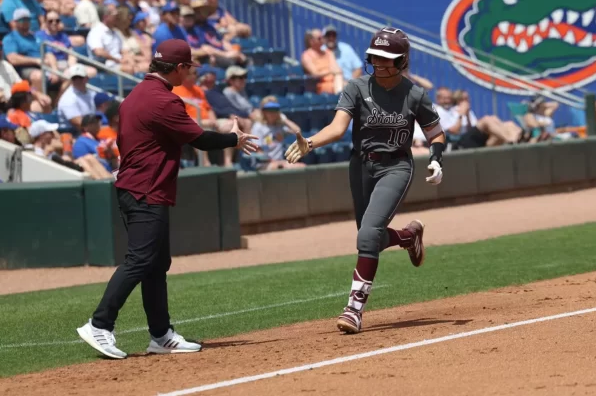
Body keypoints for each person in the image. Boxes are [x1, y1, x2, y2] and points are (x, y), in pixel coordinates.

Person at [76, 39, 258, 360]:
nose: (190, 74)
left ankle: (161, 335)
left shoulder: (135, 94)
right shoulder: (163, 100)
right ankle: (99, 324)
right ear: (178, 68)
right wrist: (234, 138)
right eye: (189, 68)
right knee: (141, 260)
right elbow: (200, 139)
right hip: (146, 189)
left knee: (156, 264)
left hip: (136, 187)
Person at [284, 27, 445, 334]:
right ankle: (409, 238)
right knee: (369, 236)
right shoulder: (357, 87)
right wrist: (312, 143)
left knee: (368, 236)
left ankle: (354, 309)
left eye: (388, 59)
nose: (380, 64)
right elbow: (337, 127)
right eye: (376, 57)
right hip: (360, 167)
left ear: (402, 61)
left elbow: (435, 132)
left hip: (396, 166)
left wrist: (437, 158)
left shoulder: (414, 94)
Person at [251, 99, 303, 170]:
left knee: (302, 166)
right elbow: (258, 151)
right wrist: (273, 162)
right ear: (264, 112)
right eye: (269, 110)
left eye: (275, 110)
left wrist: (284, 120)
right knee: (285, 167)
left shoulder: (279, 126)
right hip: (263, 164)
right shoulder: (258, 127)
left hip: (279, 162)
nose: (272, 113)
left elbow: (297, 131)